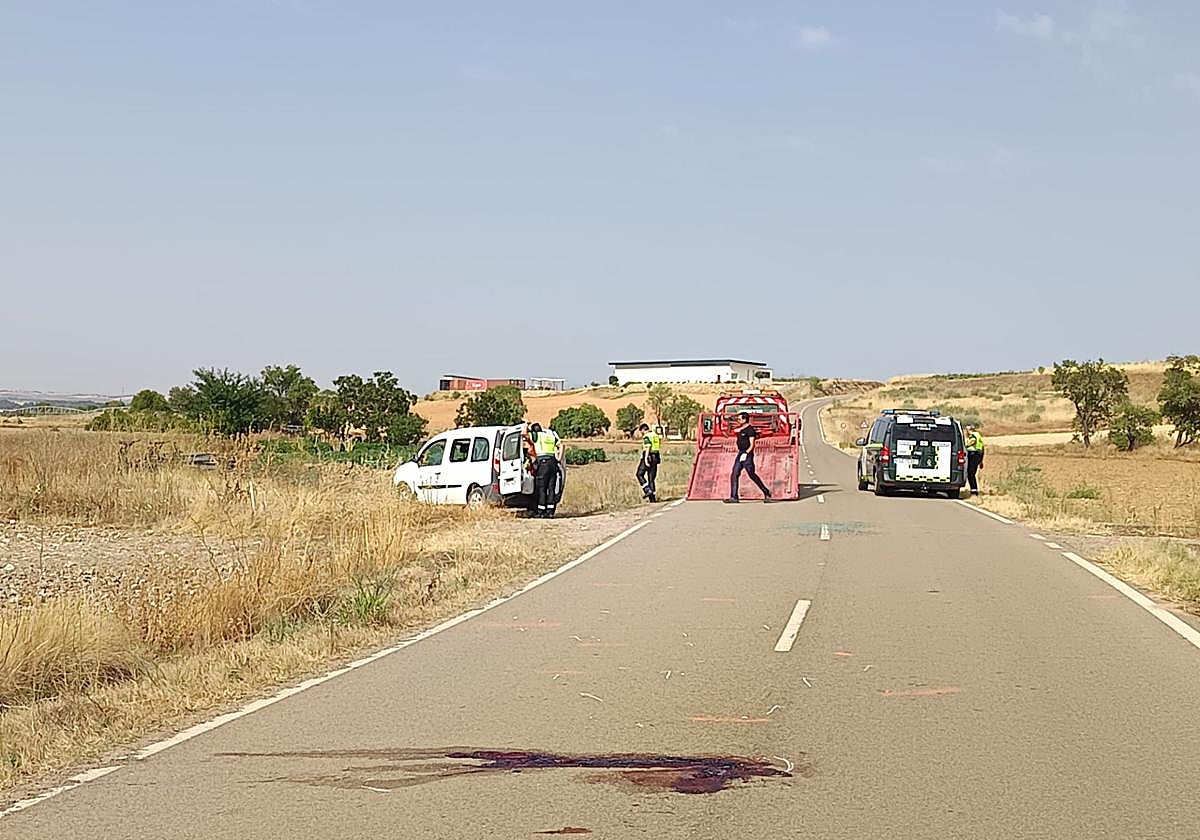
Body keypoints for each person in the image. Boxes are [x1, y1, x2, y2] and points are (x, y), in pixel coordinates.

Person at [726, 412, 772, 503]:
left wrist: (746, 453)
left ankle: (766, 491)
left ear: (744, 419)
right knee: (734, 474)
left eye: (739, 419)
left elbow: (752, 444)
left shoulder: (750, 430)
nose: (738, 421)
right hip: (740, 453)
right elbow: (733, 431)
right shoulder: (741, 429)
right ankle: (734, 497)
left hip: (747, 455)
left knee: (751, 474)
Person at [527, 422, 562, 518]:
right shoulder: (550, 436)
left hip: (543, 463)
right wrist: (559, 458)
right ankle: (550, 512)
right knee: (551, 488)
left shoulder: (537, 436)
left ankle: (541, 511)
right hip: (553, 463)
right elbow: (562, 445)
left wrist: (525, 424)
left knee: (541, 489)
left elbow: (523, 433)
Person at [636, 423, 663, 502]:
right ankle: (652, 499)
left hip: (649, 456)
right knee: (651, 478)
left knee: (639, 474)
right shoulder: (655, 435)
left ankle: (647, 490)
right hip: (656, 457)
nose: (642, 433)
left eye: (641, 432)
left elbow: (648, 446)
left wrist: (645, 459)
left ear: (644, 430)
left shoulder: (647, 436)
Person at [965, 424, 985, 496]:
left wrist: (965, 445)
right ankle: (974, 490)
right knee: (972, 473)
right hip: (978, 455)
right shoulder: (978, 435)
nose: (966, 432)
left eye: (967, 430)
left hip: (973, 455)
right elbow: (982, 448)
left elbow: (971, 443)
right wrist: (981, 461)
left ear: (970, 430)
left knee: (971, 473)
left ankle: (974, 491)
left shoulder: (973, 436)